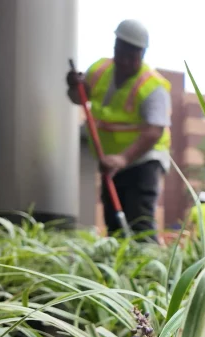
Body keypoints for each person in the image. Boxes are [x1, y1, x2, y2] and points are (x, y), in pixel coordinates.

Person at [66, 19, 171, 243]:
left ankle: (146, 259)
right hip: (109, 161)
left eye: (131, 56)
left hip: (143, 158)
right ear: (115, 46)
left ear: (142, 54)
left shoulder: (152, 86)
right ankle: (117, 258)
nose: (124, 60)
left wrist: (123, 159)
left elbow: (154, 131)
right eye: (120, 52)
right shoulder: (100, 70)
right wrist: (74, 87)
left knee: (138, 215)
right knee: (113, 218)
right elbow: (79, 98)